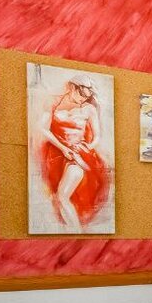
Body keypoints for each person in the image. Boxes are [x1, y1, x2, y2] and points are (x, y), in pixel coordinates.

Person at [37, 73, 109, 231]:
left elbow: (97, 136)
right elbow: (43, 128)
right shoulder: (54, 102)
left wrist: (87, 148)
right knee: (59, 197)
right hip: (58, 152)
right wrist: (63, 148)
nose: (83, 100)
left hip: (78, 154)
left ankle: (77, 232)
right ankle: (76, 231)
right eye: (81, 95)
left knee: (62, 196)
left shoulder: (89, 109)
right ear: (71, 88)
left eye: (86, 97)